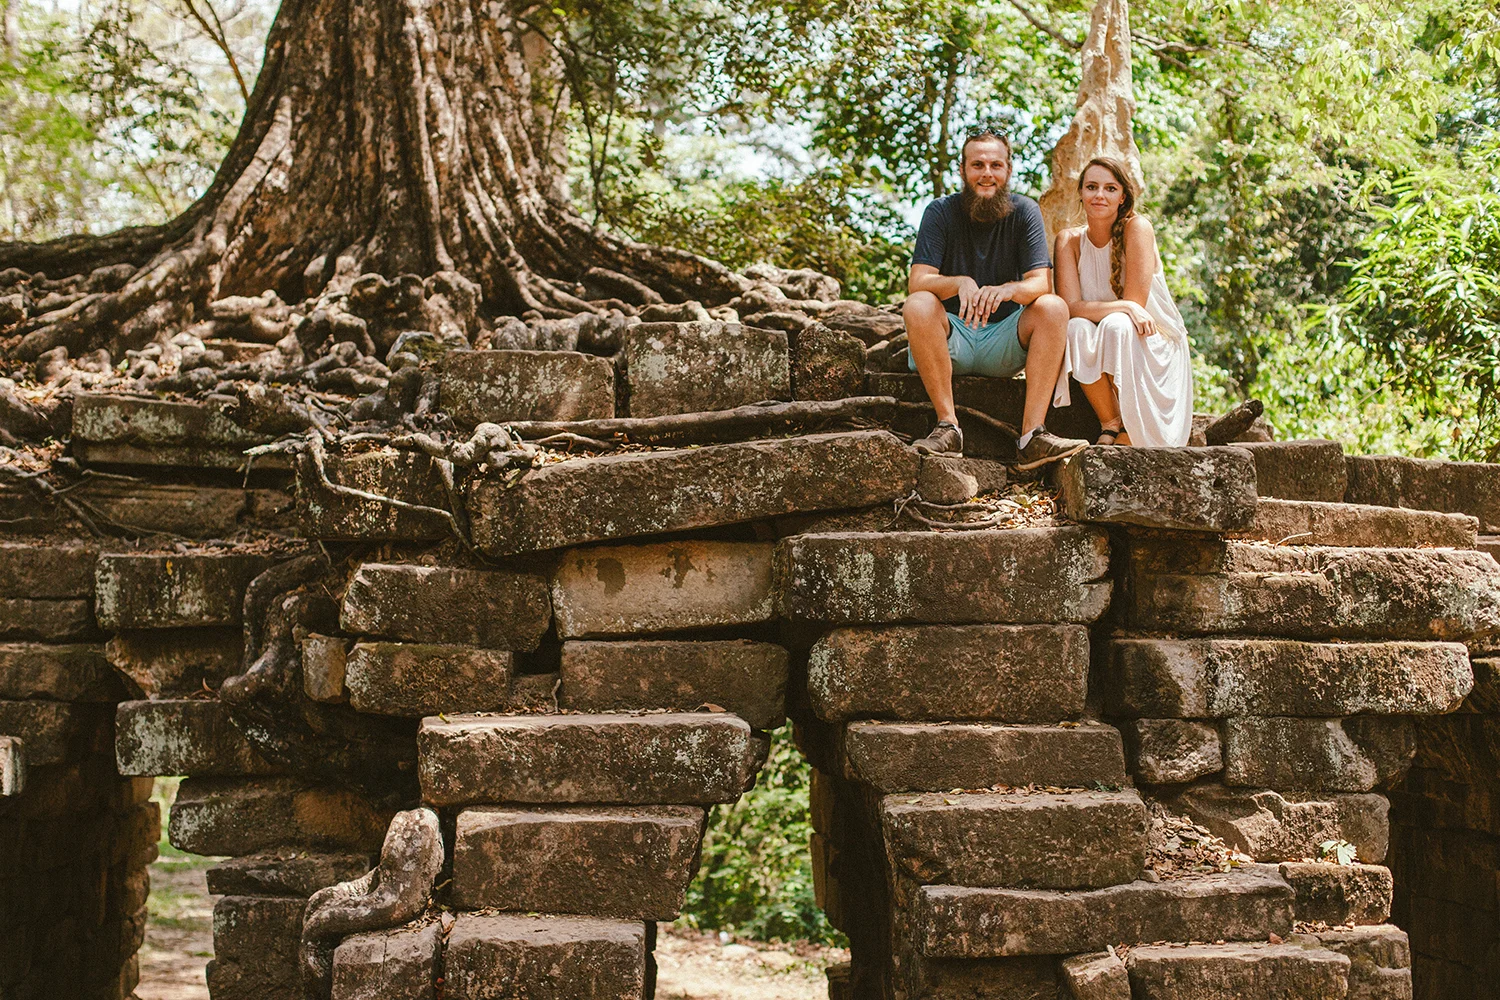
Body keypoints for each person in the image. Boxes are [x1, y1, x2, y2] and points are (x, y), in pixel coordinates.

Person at [903, 124, 1090, 469]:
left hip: (1002, 343)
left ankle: (1032, 436)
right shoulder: (939, 212)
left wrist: (1008, 290)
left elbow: (1039, 284)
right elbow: (919, 281)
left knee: (1052, 307)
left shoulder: (1025, 211)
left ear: (1008, 170)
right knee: (918, 303)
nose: (986, 173)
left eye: (995, 165)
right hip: (950, 339)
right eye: (977, 165)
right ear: (962, 170)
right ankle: (948, 427)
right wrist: (958, 283)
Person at [1053, 156, 1193, 447]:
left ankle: (1133, 425)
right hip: (1111, 331)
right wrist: (1126, 306)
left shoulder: (1137, 228)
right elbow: (1070, 307)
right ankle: (1111, 421)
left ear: (1122, 197)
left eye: (1110, 189)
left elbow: (1136, 305)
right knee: (1076, 328)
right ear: (1081, 192)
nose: (1099, 195)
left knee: (1117, 324)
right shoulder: (1068, 240)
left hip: (1153, 340)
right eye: (1091, 187)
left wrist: (1128, 307)